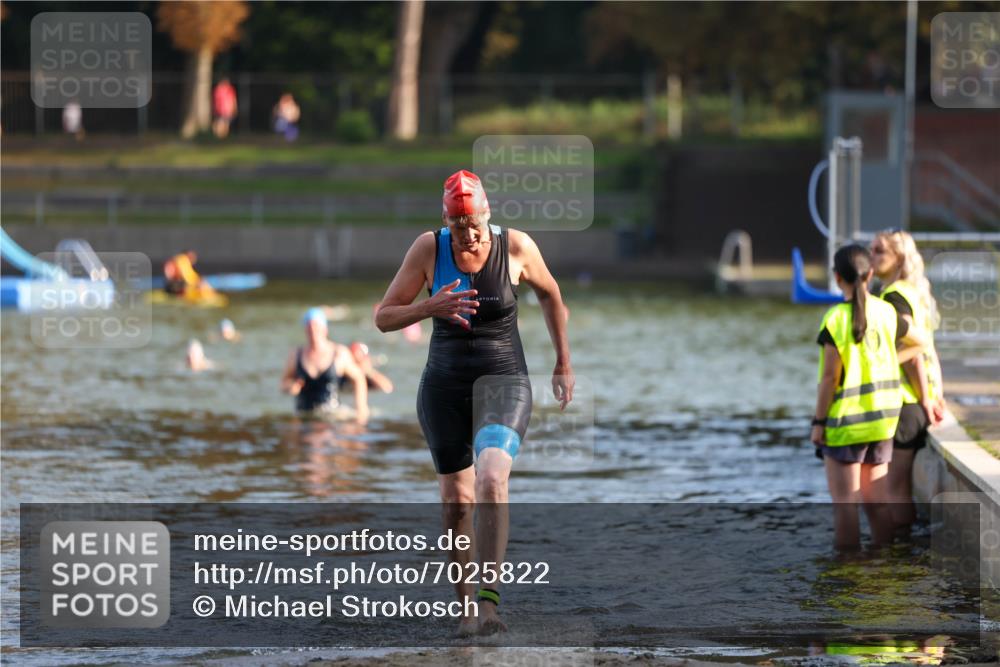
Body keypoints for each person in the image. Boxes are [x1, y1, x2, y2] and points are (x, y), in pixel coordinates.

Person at [375, 169, 574, 636]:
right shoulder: (429, 248)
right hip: (443, 387)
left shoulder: (517, 247)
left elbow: (551, 293)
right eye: (459, 228)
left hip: (504, 380)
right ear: (446, 221)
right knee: (455, 503)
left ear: (488, 214)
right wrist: (428, 308)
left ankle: (489, 604)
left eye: (475, 227)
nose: (468, 237)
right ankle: (465, 609)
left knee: (490, 476)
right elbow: (383, 317)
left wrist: (563, 360)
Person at [811, 244, 925, 550]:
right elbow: (920, 342)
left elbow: (828, 379)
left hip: (847, 423)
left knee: (845, 506)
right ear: (870, 274)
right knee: (877, 503)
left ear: (837, 278)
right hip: (883, 422)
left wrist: (818, 422)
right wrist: (890, 359)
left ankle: (848, 574)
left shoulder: (834, 320)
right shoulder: (887, 312)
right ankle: (882, 567)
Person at [871, 230, 945, 532]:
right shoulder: (914, 291)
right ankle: (905, 549)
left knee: (894, 489)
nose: (871, 256)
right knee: (898, 488)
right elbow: (930, 350)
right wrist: (936, 393)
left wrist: (926, 399)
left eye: (879, 251)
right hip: (916, 399)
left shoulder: (893, 296)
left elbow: (915, 352)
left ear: (898, 258)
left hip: (905, 401)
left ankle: (898, 552)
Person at [281, 307, 369, 425]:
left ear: (325, 329)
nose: (313, 332)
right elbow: (283, 382)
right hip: (304, 415)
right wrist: (291, 386)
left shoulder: (338, 353)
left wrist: (361, 408)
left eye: (316, 327)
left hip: (332, 415)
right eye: (309, 328)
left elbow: (359, 378)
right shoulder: (296, 354)